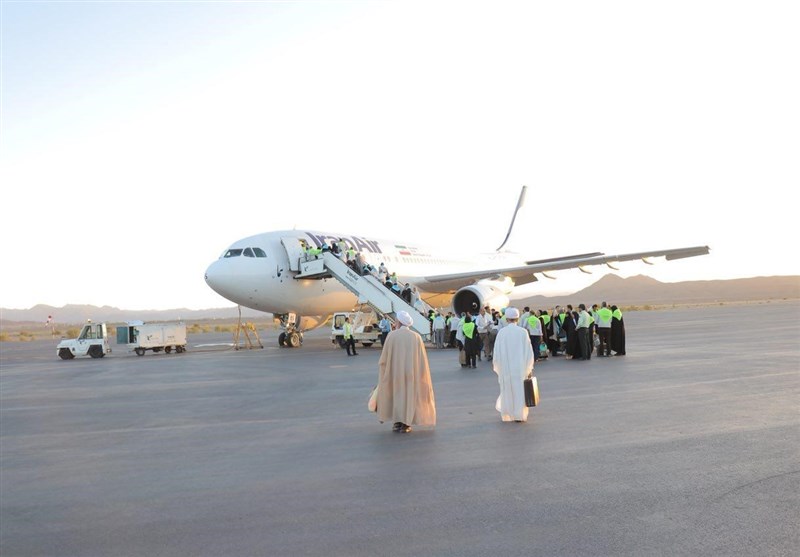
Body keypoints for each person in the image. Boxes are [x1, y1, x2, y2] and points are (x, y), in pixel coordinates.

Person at [376, 311, 436, 433]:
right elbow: (422, 360)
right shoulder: (416, 337)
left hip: (395, 374)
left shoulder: (391, 336)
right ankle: (406, 423)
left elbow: (384, 360)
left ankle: (397, 422)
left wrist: (385, 373)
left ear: (399, 322)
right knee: (409, 397)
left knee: (397, 396)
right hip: (411, 374)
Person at [492, 307, 534, 422]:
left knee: (507, 390)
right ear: (518, 318)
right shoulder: (523, 332)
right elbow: (529, 352)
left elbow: (496, 353)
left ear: (506, 319)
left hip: (506, 369)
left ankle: (507, 414)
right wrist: (529, 368)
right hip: (520, 368)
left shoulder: (502, 333)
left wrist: (498, 367)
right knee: (519, 391)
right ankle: (519, 415)